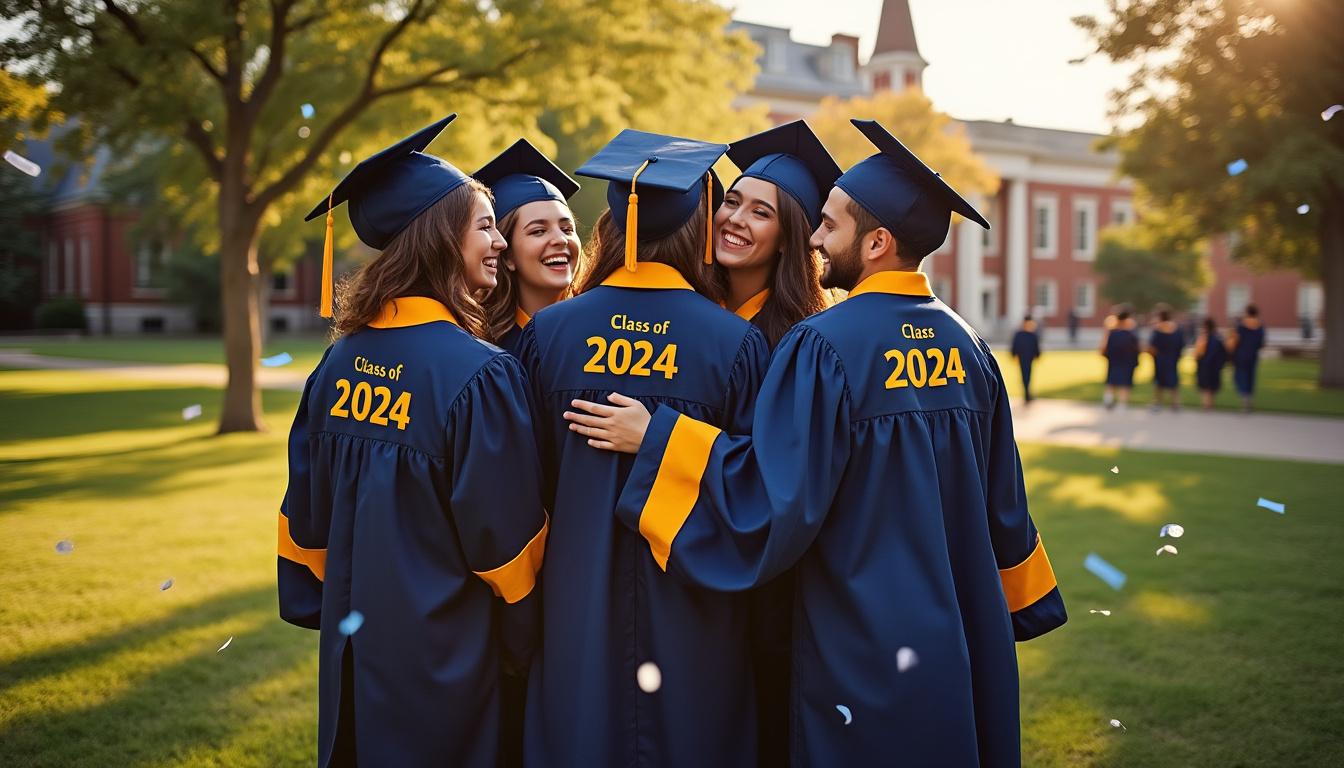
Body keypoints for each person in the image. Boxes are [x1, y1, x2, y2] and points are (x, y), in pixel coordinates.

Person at [566, 119, 1067, 766]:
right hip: (953, 625)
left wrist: (660, 439)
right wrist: (1015, 605)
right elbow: (1005, 510)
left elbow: (777, 493)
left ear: (877, 241)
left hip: (842, 618)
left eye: (826, 224)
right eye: (733, 202)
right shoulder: (971, 350)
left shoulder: (820, 345)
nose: (822, 239)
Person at [279, 115, 549, 768]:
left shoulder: (337, 366)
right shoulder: (479, 374)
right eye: (485, 225)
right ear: (438, 237)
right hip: (449, 666)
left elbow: (303, 531)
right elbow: (509, 553)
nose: (500, 244)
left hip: (354, 656)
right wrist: (527, 650)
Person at [517, 130, 771, 767]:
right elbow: (757, 487)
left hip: (573, 601)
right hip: (696, 601)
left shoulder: (549, 333)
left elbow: (523, 484)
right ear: (696, 228)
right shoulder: (733, 342)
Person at [715, 119, 839, 345]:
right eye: (732, 202)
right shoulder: (690, 305)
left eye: (760, 213)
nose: (735, 218)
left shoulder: (799, 341)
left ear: (787, 239)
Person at [476, 138, 582, 354]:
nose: (560, 239)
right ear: (506, 256)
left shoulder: (599, 333)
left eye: (567, 229)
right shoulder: (484, 349)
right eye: (538, 231)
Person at [1228, 304, 1266, 412]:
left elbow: (1233, 341)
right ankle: (1250, 399)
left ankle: (1244, 400)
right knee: (1251, 377)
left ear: (1247, 312)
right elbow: (1261, 343)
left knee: (1240, 377)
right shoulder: (1260, 326)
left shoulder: (1241, 326)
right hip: (1253, 355)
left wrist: (1230, 353)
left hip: (1241, 355)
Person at [1100, 306, 1139, 410]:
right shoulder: (1131, 333)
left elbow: (1104, 347)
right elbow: (1136, 347)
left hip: (1115, 359)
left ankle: (1108, 399)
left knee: (1112, 380)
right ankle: (1122, 403)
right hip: (1126, 360)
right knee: (1125, 382)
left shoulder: (1112, 331)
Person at [1147, 304, 1185, 411]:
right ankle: (1176, 403)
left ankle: (1157, 403)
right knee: (1173, 381)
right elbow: (1182, 345)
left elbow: (1152, 348)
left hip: (1160, 359)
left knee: (1159, 382)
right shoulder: (1177, 330)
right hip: (1173, 359)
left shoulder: (1157, 330)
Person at [1194, 316, 1228, 410]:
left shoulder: (1204, 338)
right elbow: (1224, 353)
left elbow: (1198, 353)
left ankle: (1206, 405)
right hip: (1215, 366)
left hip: (1205, 365)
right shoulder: (1219, 337)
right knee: (1212, 386)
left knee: (1205, 386)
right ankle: (1210, 404)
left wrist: (1199, 361)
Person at [1010, 314, 1042, 402]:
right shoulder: (1019, 334)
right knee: (1024, 375)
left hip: (1030, 358)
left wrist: (1037, 354)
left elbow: (1036, 346)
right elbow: (1015, 345)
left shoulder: (1033, 335)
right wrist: (1014, 354)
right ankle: (1027, 393)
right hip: (1022, 358)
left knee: (1028, 375)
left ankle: (1027, 392)